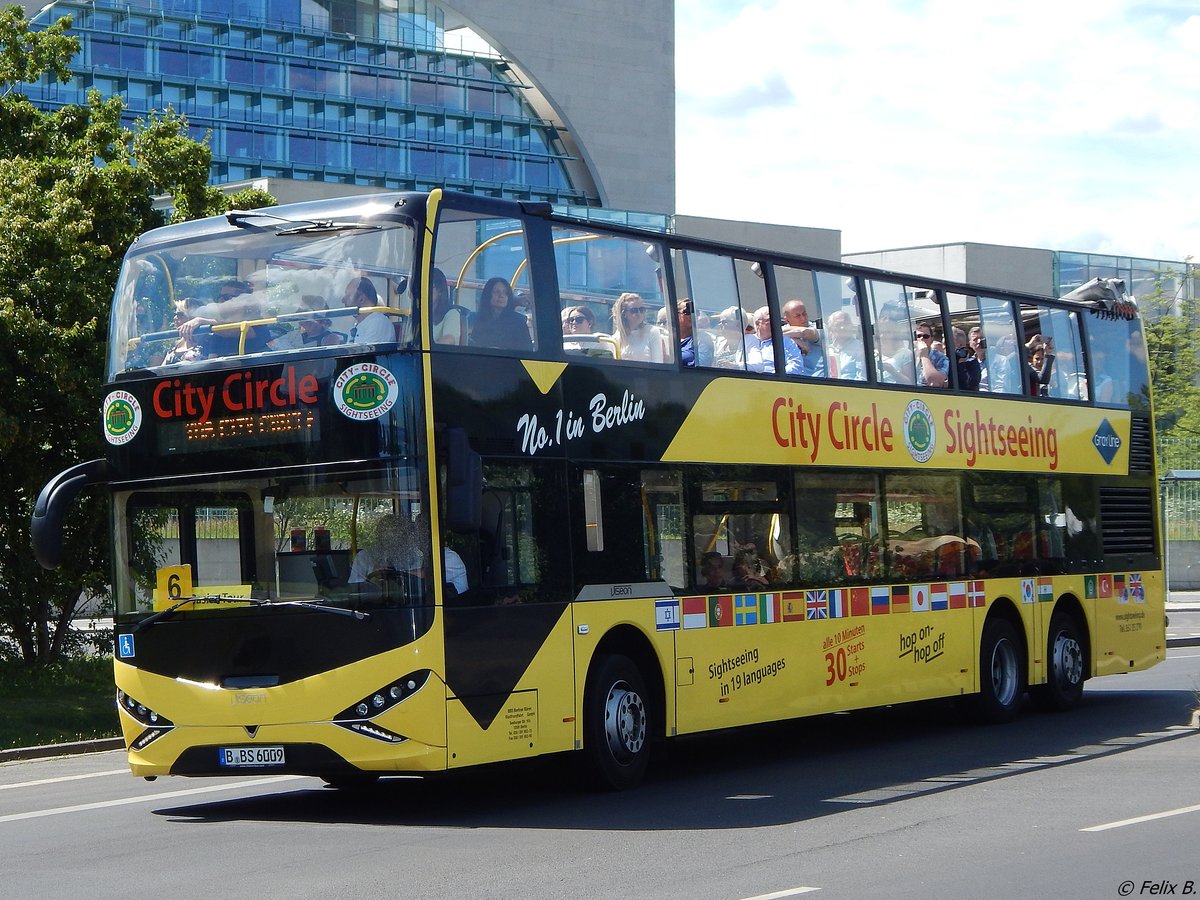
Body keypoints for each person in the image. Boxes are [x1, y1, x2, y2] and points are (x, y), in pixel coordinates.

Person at [179, 279, 271, 357]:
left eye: (226, 297)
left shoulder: (259, 325)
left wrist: (201, 321)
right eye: (220, 297)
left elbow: (231, 331)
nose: (221, 301)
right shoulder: (218, 335)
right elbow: (212, 361)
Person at [469, 277, 535, 351]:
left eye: (506, 293)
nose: (501, 296)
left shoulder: (518, 321)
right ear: (487, 295)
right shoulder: (477, 319)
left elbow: (527, 350)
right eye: (497, 292)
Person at [271, 295, 345, 349]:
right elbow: (271, 345)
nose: (302, 317)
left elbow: (326, 362)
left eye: (305, 312)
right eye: (300, 312)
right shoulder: (295, 335)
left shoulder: (330, 338)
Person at [744, 306, 803, 374]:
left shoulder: (785, 342)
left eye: (777, 320)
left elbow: (796, 366)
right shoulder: (747, 340)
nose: (775, 323)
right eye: (770, 320)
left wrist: (774, 376)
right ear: (758, 324)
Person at [611, 292, 668, 362]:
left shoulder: (652, 332)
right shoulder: (617, 337)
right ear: (624, 314)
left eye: (641, 310)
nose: (639, 314)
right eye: (634, 311)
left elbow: (658, 362)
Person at [780, 299, 825, 377]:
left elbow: (804, 332)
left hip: (818, 379)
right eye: (798, 316)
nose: (803, 318)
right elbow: (771, 334)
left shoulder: (818, 327)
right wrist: (796, 340)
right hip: (793, 379)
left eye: (804, 314)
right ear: (787, 319)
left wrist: (789, 336)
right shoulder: (782, 331)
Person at [345, 276, 396, 344]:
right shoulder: (358, 325)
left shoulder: (378, 323)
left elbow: (363, 354)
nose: (343, 300)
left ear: (361, 299)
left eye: (348, 295)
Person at [161, 298, 208, 364]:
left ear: (193, 317)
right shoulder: (176, 345)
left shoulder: (207, 340)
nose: (175, 318)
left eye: (180, 314)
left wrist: (200, 320)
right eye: (175, 315)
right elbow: (162, 371)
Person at [429, 267, 468, 345]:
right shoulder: (417, 316)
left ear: (440, 291)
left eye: (429, 286)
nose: (424, 290)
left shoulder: (452, 314)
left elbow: (449, 340)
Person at [824, 309, 865, 380]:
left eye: (846, 324)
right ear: (831, 329)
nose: (842, 327)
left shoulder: (859, 347)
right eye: (838, 325)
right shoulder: (827, 350)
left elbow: (863, 378)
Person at [676, 298, 714, 367]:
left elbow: (702, 364)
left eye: (696, 312)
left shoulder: (703, 339)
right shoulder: (670, 339)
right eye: (688, 310)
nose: (693, 314)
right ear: (677, 315)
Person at [912, 322, 949, 387]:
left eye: (926, 336)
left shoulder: (941, 358)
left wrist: (924, 355)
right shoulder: (909, 356)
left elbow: (935, 383)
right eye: (918, 336)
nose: (921, 339)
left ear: (931, 339)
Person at [953, 326, 981, 390]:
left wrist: (960, 364)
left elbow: (970, 385)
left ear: (960, 345)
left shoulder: (972, 363)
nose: (943, 347)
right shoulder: (943, 361)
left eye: (946, 344)